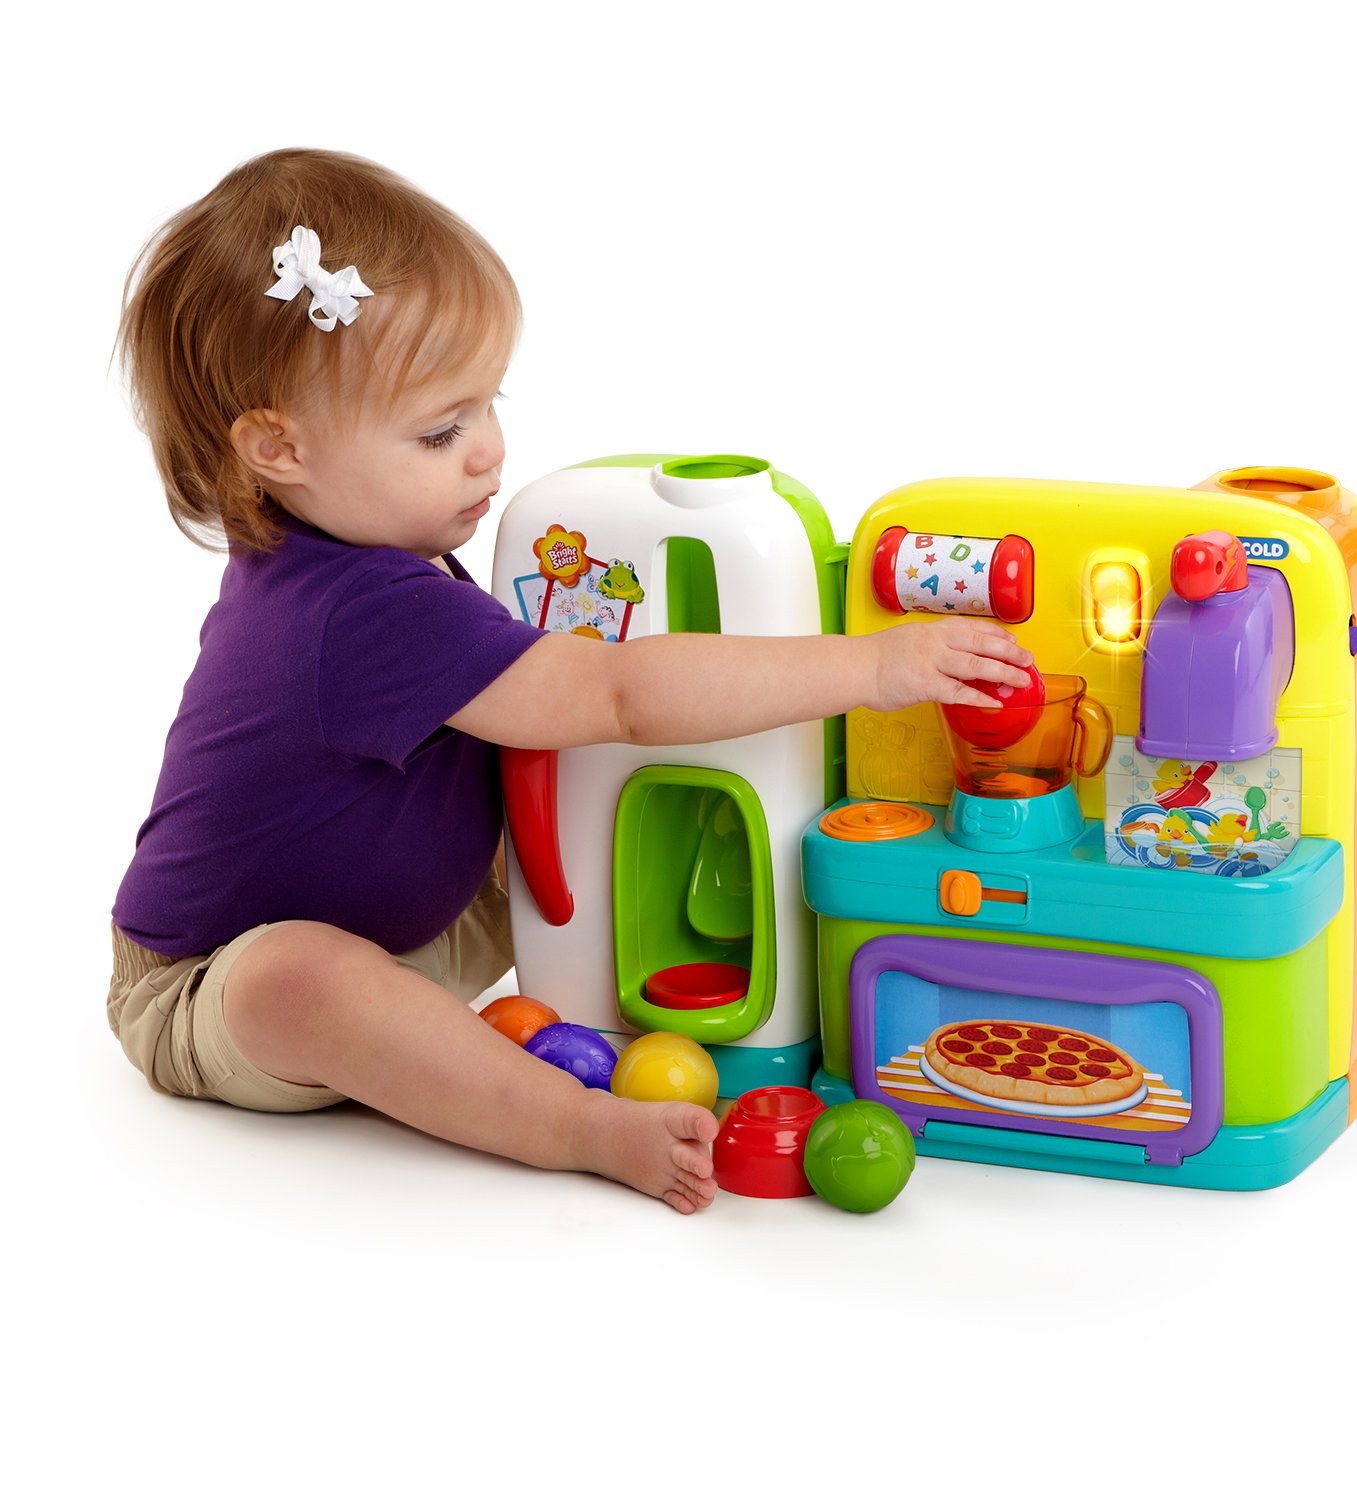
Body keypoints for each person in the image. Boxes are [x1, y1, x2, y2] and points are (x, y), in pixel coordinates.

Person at [108, 148, 1035, 1213]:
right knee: (302, 977)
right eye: (440, 431)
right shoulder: (350, 611)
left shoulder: (366, 548)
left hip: (413, 918)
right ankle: (570, 1123)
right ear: (279, 449)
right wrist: (871, 666)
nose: (488, 453)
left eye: (487, 404)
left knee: (567, 774)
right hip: (210, 985)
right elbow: (618, 694)